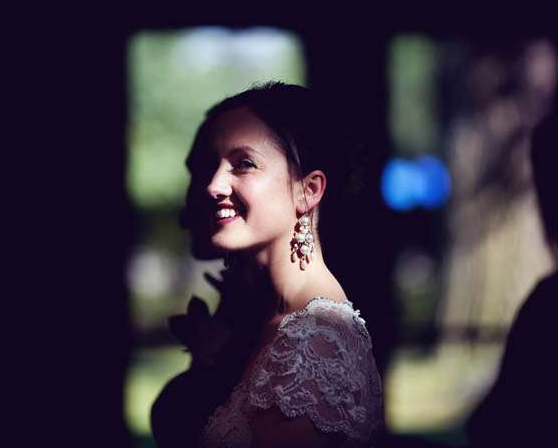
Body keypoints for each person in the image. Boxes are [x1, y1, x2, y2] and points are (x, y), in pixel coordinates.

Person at [151, 82, 385, 448]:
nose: (213, 186)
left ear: (308, 190)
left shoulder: (316, 339)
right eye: (213, 165)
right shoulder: (274, 320)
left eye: (243, 163)